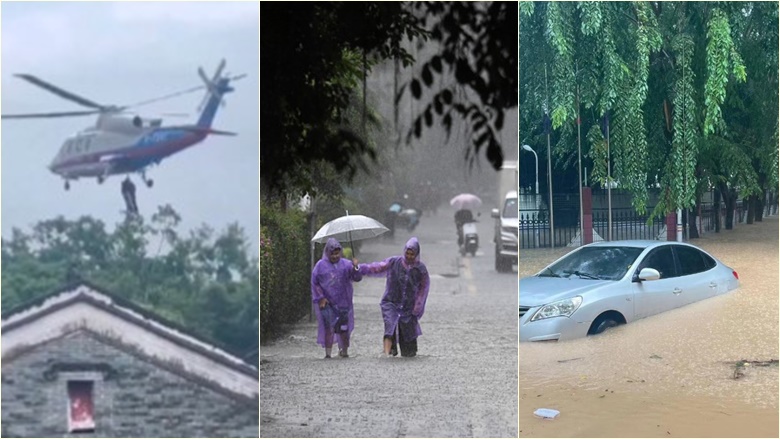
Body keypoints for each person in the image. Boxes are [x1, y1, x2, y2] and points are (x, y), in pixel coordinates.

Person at [358, 237, 430, 357]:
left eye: (412, 254)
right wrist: (360, 268)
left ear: (417, 254)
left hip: (409, 308)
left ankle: (407, 352)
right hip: (391, 302)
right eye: (407, 253)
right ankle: (387, 354)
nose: (409, 256)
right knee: (390, 325)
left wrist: (417, 306)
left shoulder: (420, 269)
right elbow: (377, 267)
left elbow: (423, 289)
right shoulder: (394, 262)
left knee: (408, 341)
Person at [311, 238, 361, 358]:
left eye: (337, 253)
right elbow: (314, 282)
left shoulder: (346, 264)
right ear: (327, 252)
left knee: (343, 329)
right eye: (332, 253)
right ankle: (328, 354)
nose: (334, 256)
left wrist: (356, 268)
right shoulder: (320, 266)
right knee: (329, 328)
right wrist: (321, 297)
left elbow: (357, 278)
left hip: (343, 303)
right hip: (327, 303)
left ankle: (344, 351)